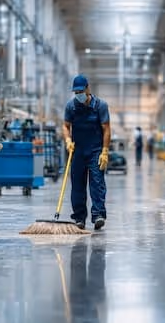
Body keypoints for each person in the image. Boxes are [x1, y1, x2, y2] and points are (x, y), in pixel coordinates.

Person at [63, 75, 111, 230]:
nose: (78, 95)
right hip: (77, 151)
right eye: (76, 92)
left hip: (95, 151)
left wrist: (105, 151)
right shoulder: (71, 106)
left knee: (97, 183)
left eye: (81, 91)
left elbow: (106, 129)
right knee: (77, 185)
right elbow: (65, 125)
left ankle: (98, 215)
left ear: (87, 88)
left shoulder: (100, 106)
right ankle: (79, 218)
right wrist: (68, 140)